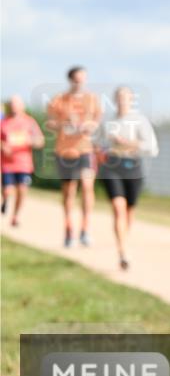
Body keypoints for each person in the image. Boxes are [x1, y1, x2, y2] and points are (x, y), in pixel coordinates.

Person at [97, 86, 159, 271]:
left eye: (126, 98)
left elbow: (152, 148)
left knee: (129, 212)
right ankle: (122, 251)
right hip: (111, 167)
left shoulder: (139, 121)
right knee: (118, 208)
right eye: (119, 97)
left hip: (133, 167)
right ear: (115, 100)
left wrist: (128, 143)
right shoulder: (108, 122)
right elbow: (98, 144)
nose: (123, 101)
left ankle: (123, 239)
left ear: (132, 100)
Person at [46, 66, 102, 247]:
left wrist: (89, 126)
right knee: (69, 191)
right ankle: (69, 229)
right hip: (64, 151)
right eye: (77, 80)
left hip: (85, 149)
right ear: (70, 80)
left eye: (83, 79)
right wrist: (64, 124)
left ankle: (85, 229)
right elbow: (49, 123)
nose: (80, 83)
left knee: (87, 187)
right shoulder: (58, 100)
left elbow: (97, 122)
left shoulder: (92, 99)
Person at [1, 95, 45, 227]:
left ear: (22, 106)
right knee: (7, 190)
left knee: (22, 191)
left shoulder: (29, 122)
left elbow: (40, 141)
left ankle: (15, 216)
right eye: (12, 105)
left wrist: (29, 141)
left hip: (24, 164)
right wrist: (3, 146)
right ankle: (5, 200)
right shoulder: (3, 122)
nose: (14, 107)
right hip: (6, 164)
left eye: (17, 105)